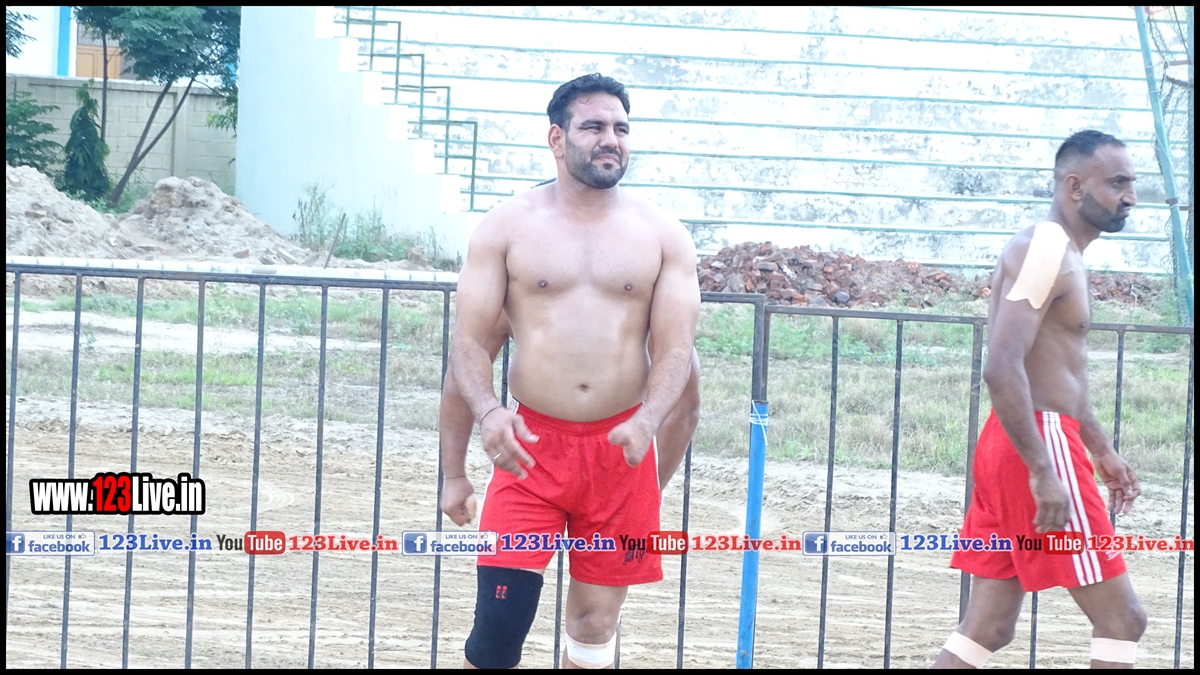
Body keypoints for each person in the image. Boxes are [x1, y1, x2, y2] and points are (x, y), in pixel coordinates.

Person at [444, 73, 701, 670]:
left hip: (621, 455)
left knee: (594, 625)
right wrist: (479, 427)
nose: (611, 139)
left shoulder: (663, 235)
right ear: (557, 139)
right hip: (530, 452)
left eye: (621, 128)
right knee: (499, 626)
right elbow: (469, 344)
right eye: (594, 127)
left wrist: (647, 422)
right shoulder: (506, 227)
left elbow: (677, 351)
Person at [934, 130, 1147, 669]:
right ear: (1075, 186)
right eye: (1117, 183)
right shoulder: (1046, 249)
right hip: (1035, 441)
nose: (1130, 197)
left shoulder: (1057, 250)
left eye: (1132, 183)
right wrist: (1042, 469)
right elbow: (1001, 365)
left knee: (988, 628)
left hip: (1016, 438)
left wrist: (1100, 448)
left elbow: (1054, 372)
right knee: (1122, 620)